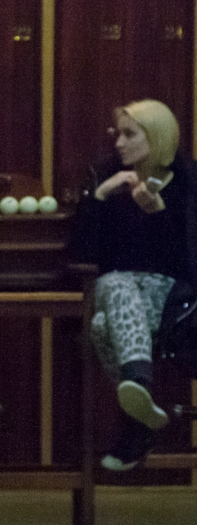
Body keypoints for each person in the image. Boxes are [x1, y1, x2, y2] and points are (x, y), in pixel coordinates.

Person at [71, 99, 196, 470]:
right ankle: (138, 385)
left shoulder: (188, 182)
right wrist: (100, 196)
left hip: (175, 302)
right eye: (118, 134)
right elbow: (80, 254)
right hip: (116, 295)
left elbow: (188, 261)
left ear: (156, 137)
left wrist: (159, 214)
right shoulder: (108, 176)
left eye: (130, 134)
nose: (119, 143)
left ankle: (137, 421)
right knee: (113, 290)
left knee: (103, 319)